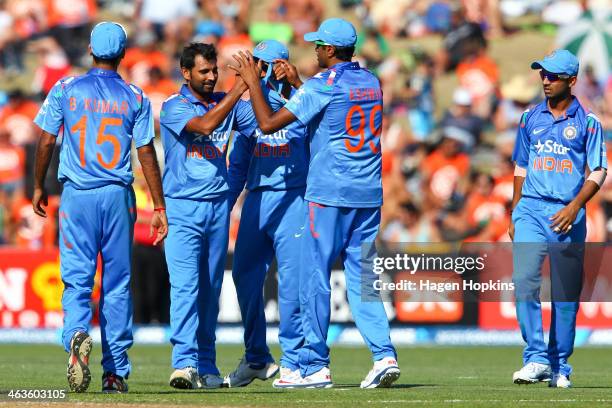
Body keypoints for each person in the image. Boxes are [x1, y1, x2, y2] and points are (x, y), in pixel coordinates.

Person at [229, 17, 399, 389]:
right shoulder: (371, 81)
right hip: (368, 191)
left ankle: (313, 365)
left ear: (331, 50)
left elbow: (269, 122)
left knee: (313, 278)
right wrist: (295, 84)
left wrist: (257, 84)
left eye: (319, 45)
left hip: (329, 191)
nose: (315, 50)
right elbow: (331, 107)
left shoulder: (323, 84)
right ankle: (384, 354)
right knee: (362, 277)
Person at [31, 21, 168, 393]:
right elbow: (145, 153)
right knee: (117, 285)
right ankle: (115, 372)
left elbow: (45, 141)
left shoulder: (66, 88)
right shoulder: (136, 96)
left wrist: (38, 186)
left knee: (77, 278)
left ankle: (76, 333)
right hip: (116, 195)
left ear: (91, 51)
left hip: (77, 195)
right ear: (122, 55)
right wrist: (158, 204)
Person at [159, 42, 257, 390]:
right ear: (186, 73)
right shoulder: (174, 105)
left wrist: (259, 82)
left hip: (218, 208)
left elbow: (264, 121)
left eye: (215, 70)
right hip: (182, 208)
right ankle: (183, 363)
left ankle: (206, 364)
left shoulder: (224, 102)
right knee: (185, 287)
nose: (212, 76)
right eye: (204, 71)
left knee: (210, 291)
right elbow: (202, 127)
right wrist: (237, 90)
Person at [510, 49, 607, 388]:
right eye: (542, 74)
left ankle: (559, 364)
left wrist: (575, 207)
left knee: (564, 296)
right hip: (531, 209)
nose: (545, 80)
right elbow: (521, 165)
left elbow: (598, 169)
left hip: (567, 214)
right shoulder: (529, 117)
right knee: (524, 279)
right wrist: (515, 207)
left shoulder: (588, 123)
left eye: (553, 76)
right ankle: (535, 357)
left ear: (572, 81)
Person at [224, 40, 308, 388]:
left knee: (292, 284)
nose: (254, 70)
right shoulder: (247, 111)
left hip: (294, 199)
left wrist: (297, 84)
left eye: (261, 64)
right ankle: (257, 356)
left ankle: (296, 360)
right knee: (243, 276)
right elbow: (238, 166)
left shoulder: (303, 101)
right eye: (253, 64)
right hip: (258, 200)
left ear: (277, 66)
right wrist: (222, 208)